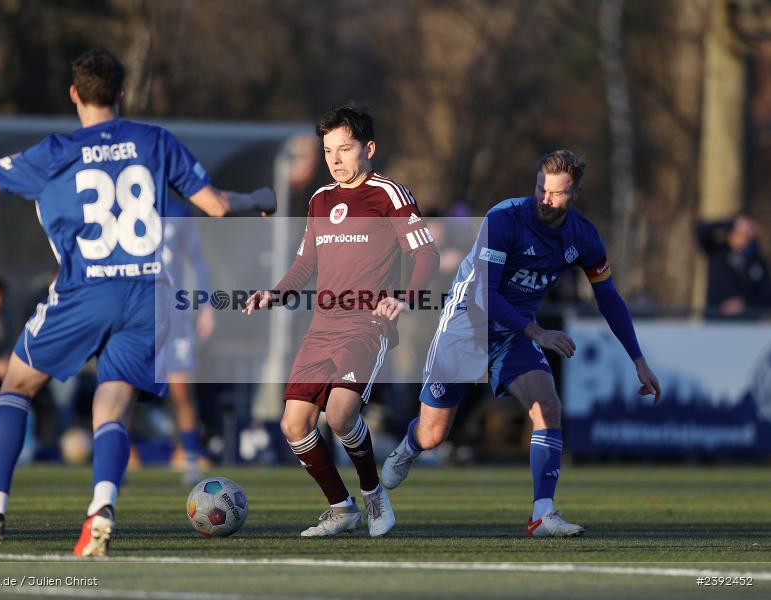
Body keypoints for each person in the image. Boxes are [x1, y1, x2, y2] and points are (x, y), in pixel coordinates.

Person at [0, 48, 275, 556]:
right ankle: (101, 503)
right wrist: (258, 198)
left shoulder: (56, 151)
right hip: (149, 295)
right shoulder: (155, 140)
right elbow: (214, 205)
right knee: (113, 405)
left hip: (87, 290)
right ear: (121, 94)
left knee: (16, 384)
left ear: (75, 94)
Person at [382, 150, 661, 537]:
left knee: (547, 406)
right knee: (433, 435)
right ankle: (408, 448)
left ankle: (541, 514)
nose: (545, 199)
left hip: (515, 333)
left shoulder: (584, 237)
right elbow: (486, 295)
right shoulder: (504, 219)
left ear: (575, 193)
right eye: (540, 188)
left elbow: (609, 298)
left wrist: (638, 359)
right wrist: (538, 333)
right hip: (467, 323)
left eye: (557, 193)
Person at [243, 104, 439, 537]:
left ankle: (373, 496)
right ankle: (341, 507)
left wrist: (404, 299)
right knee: (293, 424)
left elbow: (426, 254)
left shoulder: (389, 194)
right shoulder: (319, 200)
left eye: (344, 149)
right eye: (328, 150)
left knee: (340, 415)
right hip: (322, 327)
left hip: (367, 324)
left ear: (368, 148)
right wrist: (272, 294)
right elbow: (305, 263)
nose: (334, 159)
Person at [158, 212, 214, 485]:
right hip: (137, 313)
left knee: (182, 390)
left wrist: (207, 306)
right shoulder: (125, 198)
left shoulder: (178, 213)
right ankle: (121, 456)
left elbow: (198, 261)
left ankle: (190, 456)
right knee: (124, 386)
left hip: (175, 317)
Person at [696, 215, 771, 317]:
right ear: (731, 233)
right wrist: (731, 223)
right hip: (715, 321)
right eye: (739, 233)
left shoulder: (758, 262)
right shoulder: (718, 252)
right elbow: (700, 230)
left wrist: (745, 305)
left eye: (747, 234)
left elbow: (766, 297)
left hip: (745, 324)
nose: (743, 237)